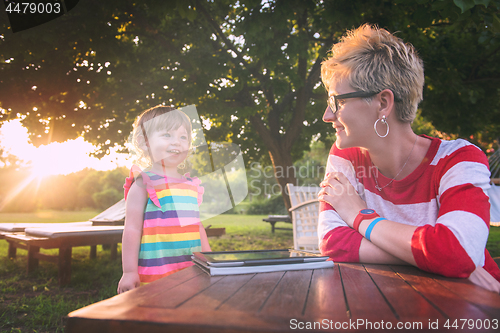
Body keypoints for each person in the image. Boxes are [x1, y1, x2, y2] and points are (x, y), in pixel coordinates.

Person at [317, 24, 500, 292]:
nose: (327, 116)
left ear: (382, 103)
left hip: (477, 303)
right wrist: (436, 259)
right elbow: (332, 241)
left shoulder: (460, 159)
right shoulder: (345, 155)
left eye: (337, 102)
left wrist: (359, 216)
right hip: (400, 299)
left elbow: (456, 251)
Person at [118, 106, 211, 294]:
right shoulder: (144, 183)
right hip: (157, 272)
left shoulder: (190, 185)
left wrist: (209, 258)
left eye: (183, 137)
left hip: (190, 268)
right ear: (144, 143)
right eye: (167, 135)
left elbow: (197, 226)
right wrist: (129, 271)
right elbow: (132, 228)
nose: (176, 142)